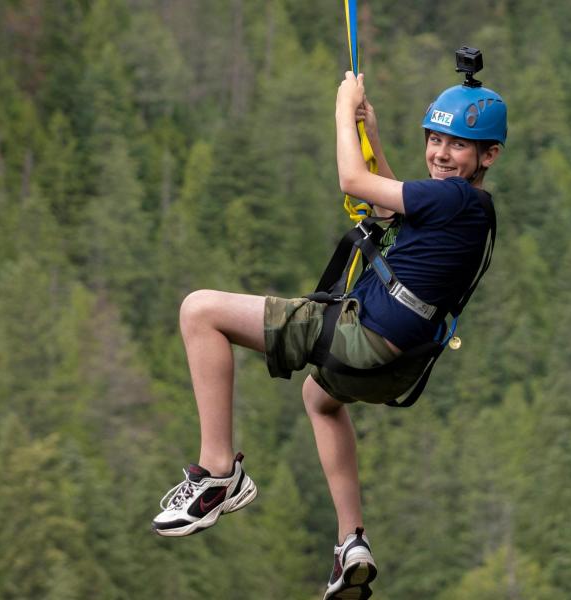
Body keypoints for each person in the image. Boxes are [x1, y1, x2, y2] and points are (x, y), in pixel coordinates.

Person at [151, 66, 506, 600]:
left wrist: (343, 110)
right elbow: (387, 203)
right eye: (435, 139)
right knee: (319, 398)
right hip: (395, 365)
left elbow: (354, 183)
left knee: (200, 311)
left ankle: (218, 473)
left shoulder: (455, 200)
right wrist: (372, 132)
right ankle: (351, 543)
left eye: (459, 145)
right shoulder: (463, 207)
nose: (440, 153)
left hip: (361, 338)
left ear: (489, 155)